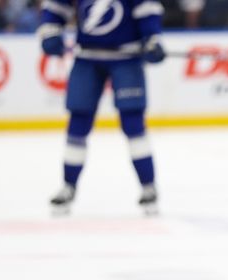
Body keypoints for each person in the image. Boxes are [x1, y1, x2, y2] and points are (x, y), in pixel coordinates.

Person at [38, 0, 166, 215]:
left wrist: (152, 37)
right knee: (78, 124)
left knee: (133, 123)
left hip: (126, 59)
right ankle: (68, 186)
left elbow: (147, 9)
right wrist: (50, 31)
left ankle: (148, 186)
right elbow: (56, 7)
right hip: (87, 58)